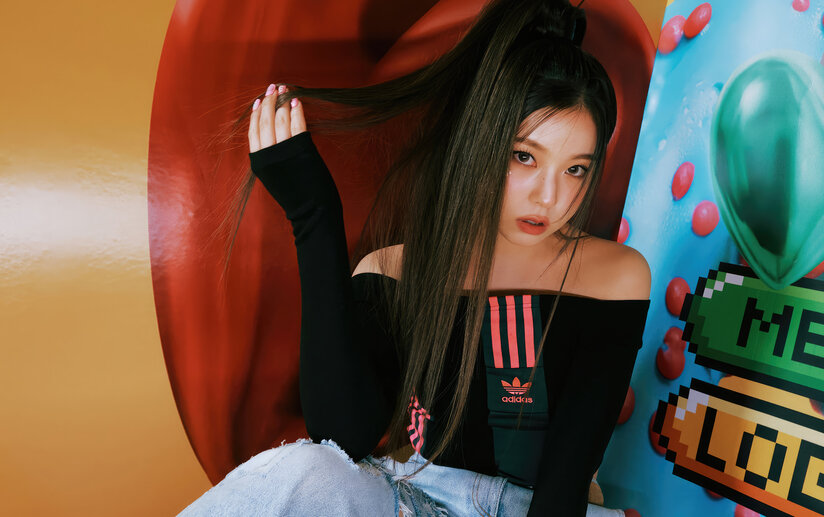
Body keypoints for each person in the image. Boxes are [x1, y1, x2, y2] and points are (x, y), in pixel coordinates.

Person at [180, 0, 650, 515]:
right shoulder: (394, 271)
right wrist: (314, 217)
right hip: (412, 497)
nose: (549, 197)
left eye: (576, 169)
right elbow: (342, 437)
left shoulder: (613, 277)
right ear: (480, 142)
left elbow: (565, 484)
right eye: (524, 156)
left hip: (539, 508)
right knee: (302, 470)